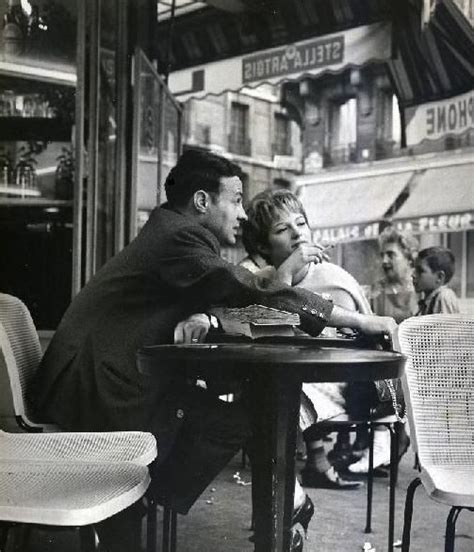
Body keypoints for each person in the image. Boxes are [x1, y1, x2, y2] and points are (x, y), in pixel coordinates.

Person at [32, 149, 396, 551]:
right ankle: (139, 498)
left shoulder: (172, 232)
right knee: (236, 421)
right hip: (98, 387)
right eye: (236, 201)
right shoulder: (178, 236)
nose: (242, 215)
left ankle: (141, 501)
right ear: (203, 201)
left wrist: (206, 315)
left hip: (101, 374)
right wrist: (362, 321)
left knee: (233, 418)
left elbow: (214, 290)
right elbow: (244, 288)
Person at [242, 189, 371, 490]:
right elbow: (271, 337)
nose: (297, 234)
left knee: (276, 399)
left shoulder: (336, 278)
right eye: (282, 229)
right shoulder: (261, 280)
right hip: (291, 384)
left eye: (301, 223)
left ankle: (286, 496)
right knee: (274, 392)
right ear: (263, 245)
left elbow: (369, 336)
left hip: (341, 385)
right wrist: (285, 272)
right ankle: (290, 495)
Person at [347, 225, 418, 474]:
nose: (385, 260)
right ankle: (374, 442)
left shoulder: (418, 291)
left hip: (409, 362)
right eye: (383, 255)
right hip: (377, 359)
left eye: (392, 254)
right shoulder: (375, 291)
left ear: (408, 257)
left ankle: (382, 443)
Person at [413, 246, 460, 315]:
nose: (413, 275)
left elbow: (444, 324)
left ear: (439, 277)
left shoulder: (444, 296)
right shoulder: (428, 301)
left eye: (420, 271)